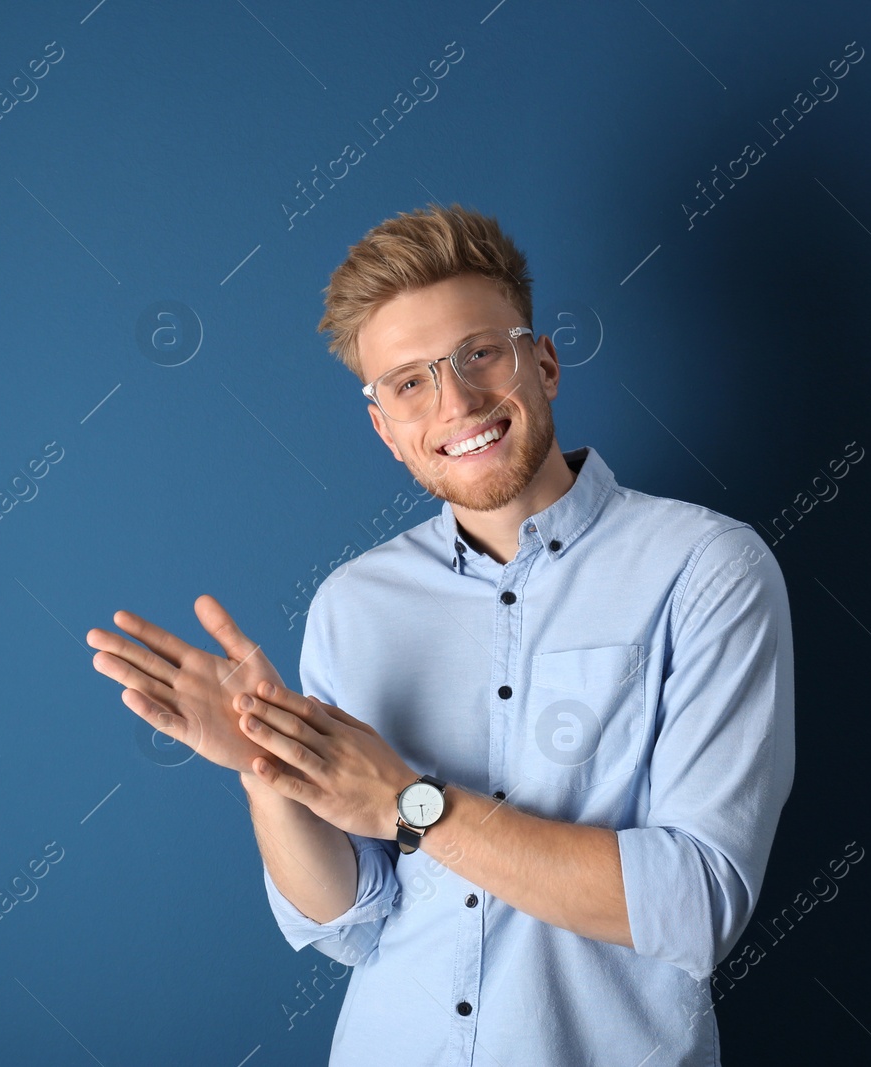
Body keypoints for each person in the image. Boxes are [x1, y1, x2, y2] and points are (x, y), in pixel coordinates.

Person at [86, 203, 795, 1066]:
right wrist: (264, 765)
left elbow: (697, 904)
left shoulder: (706, 569)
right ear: (384, 426)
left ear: (543, 361)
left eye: (479, 353)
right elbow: (352, 920)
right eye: (410, 382)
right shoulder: (354, 604)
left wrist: (410, 803)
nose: (456, 401)